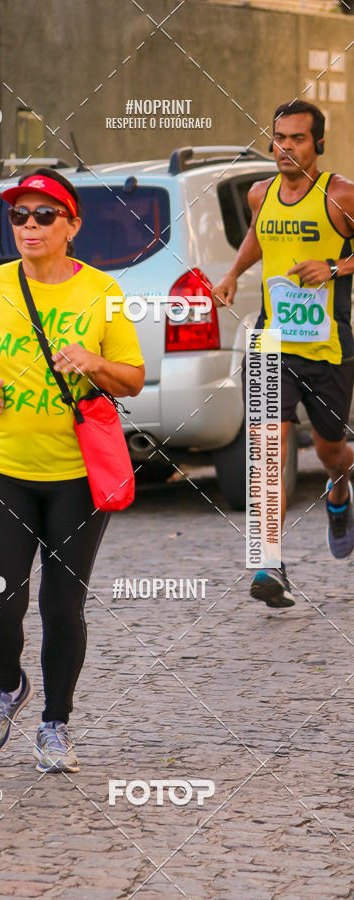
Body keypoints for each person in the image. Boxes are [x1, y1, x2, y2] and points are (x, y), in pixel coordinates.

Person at [0, 168, 145, 771]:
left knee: (62, 606)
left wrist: (93, 363)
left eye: (44, 215)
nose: (29, 225)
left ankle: (55, 724)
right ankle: (8, 686)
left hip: (76, 476)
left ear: (71, 225)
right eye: (19, 215)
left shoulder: (102, 292)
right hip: (0, 467)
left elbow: (133, 378)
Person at [213, 100, 354, 608]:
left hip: (328, 347)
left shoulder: (341, 196)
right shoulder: (260, 193)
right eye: (279, 138)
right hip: (272, 342)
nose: (286, 147)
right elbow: (259, 234)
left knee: (330, 450)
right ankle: (269, 562)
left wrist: (335, 268)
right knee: (267, 450)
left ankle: (340, 489)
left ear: (319, 144)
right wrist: (233, 273)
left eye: (297, 138)